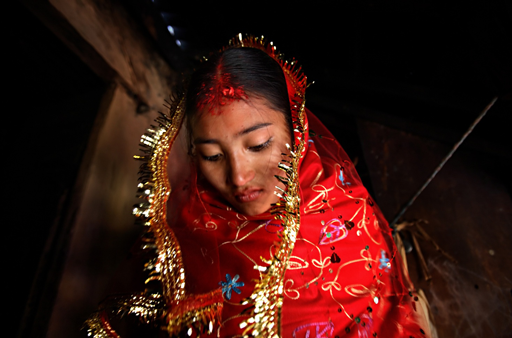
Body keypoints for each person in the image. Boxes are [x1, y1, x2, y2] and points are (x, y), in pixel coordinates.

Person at [85, 34, 433, 337]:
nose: (238, 177)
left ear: (296, 130)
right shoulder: (186, 224)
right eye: (211, 155)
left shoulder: (345, 214)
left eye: (258, 145)